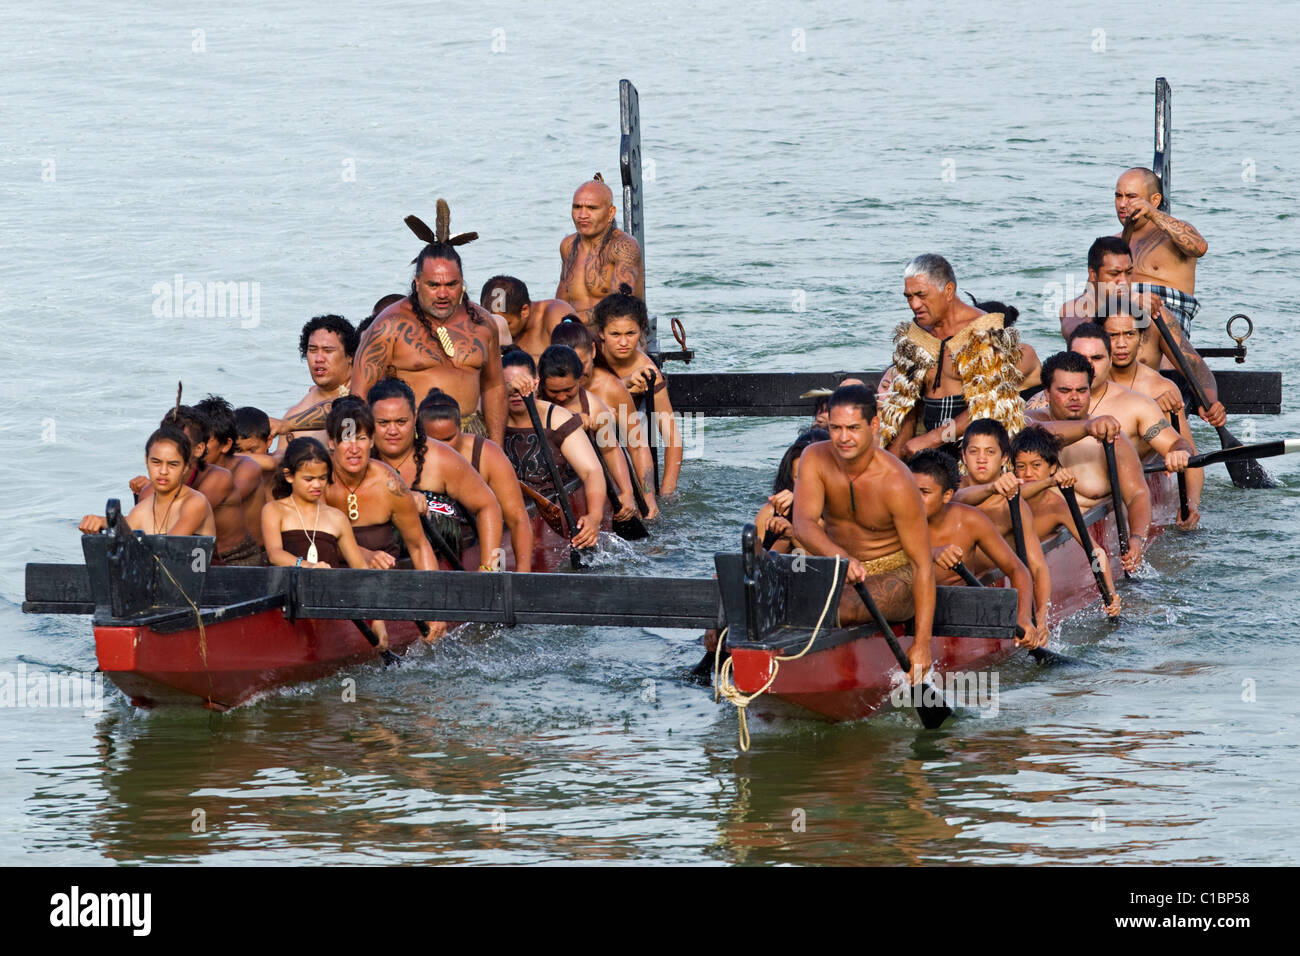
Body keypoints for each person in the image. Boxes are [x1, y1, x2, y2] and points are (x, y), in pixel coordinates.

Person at [791, 384, 936, 681]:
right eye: (835, 428)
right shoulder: (814, 458)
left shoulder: (896, 480)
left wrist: (922, 645)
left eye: (853, 428)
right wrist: (843, 559)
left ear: (874, 425)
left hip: (896, 572)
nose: (843, 438)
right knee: (760, 587)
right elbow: (803, 524)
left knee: (836, 607)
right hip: (837, 569)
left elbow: (922, 565)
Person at [878, 254, 1035, 460]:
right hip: (927, 449)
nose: (914, 304)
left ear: (949, 291)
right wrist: (893, 463)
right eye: (909, 296)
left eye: (921, 295)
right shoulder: (916, 335)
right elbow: (906, 405)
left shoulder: (985, 332)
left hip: (977, 452)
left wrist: (933, 439)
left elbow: (986, 406)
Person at [1058, 237, 1226, 428]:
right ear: (1093, 275)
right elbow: (1077, 333)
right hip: (1097, 418)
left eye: (1128, 273)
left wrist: (1209, 403)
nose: (1123, 282)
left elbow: (1196, 367)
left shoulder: (1156, 315)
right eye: (1114, 274)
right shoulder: (1073, 310)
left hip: (1147, 418)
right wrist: (1126, 306)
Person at [1059, 319, 1199, 529]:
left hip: (1106, 503)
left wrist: (1178, 454)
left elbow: (1180, 445)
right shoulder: (1041, 402)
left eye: (1096, 358)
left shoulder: (1138, 404)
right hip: (1055, 508)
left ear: (1109, 359)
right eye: (1080, 359)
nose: (1087, 367)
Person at [1023, 351, 1153, 573]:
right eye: (1064, 391)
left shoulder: (1111, 436)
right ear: (1046, 393)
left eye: (1082, 390)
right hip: (1028, 534)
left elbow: (1137, 494)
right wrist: (1085, 428)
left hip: (1082, 539)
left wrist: (1138, 539)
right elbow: (1041, 433)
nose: (1074, 397)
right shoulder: (1027, 424)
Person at [261, 437, 388, 650]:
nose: (317, 485)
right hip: (288, 600)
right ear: (289, 476)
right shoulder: (274, 511)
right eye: (309, 479)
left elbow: (360, 568)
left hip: (330, 602)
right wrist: (310, 567)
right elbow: (275, 554)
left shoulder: (336, 517)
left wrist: (378, 620)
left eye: (322, 478)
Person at [907, 450, 1044, 645]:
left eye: (925, 492)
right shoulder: (892, 516)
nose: (915, 499)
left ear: (946, 496)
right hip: (907, 606)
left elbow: (1017, 569)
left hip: (955, 611)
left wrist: (1022, 617)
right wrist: (931, 553)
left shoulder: (971, 520)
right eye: (912, 490)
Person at [367, 377, 503, 568]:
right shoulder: (355, 458)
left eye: (401, 421)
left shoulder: (441, 458)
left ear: (415, 418)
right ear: (369, 421)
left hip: (445, 562)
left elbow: (488, 506)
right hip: (378, 563)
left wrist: (488, 568)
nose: (392, 430)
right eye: (383, 423)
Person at [950, 418, 1054, 632]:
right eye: (973, 452)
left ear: (1004, 458)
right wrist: (991, 488)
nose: (981, 459)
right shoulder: (949, 489)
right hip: (945, 585)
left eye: (990, 452)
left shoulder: (1015, 505)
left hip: (980, 587)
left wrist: (1041, 617)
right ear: (963, 456)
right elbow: (957, 499)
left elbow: (1036, 566)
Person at [418, 389, 535, 572]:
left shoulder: (488, 454)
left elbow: (518, 519)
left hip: (477, 544)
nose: (442, 448)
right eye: (433, 440)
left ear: (461, 427)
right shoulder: (407, 454)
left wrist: (523, 575)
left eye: (449, 438)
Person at [551, 316, 657, 518]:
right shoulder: (544, 387)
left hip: (603, 464)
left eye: (580, 365)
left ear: (592, 350)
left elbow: (636, 445)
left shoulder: (611, 387)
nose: (576, 374)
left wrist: (648, 496)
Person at [1009, 427, 1122, 616]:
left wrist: (1110, 593)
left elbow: (1095, 552)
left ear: (1052, 467)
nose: (1028, 473)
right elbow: (1019, 492)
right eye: (1021, 467)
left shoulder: (1057, 505)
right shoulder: (1006, 495)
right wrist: (1049, 482)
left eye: (1036, 465)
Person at [500, 349, 606, 550]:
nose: (515, 393)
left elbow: (591, 471)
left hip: (550, 504)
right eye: (508, 386)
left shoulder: (557, 418)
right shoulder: (484, 417)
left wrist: (594, 516)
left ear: (536, 382)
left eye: (522, 384)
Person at [322, 396, 436, 572]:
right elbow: (312, 539)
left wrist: (433, 593)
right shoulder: (318, 479)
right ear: (331, 442)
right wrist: (366, 555)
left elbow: (419, 547)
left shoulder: (389, 484)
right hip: (328, 579)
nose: (354, 449)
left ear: (372, 440)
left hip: (385, 578)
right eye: (346, 439)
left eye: (361, 438)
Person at [131, 406, 254, 564]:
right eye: (167, 440)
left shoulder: (216, 480)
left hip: (234, 559)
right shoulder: (148, 494)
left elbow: (179, 522)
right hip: (180, 564)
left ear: (199, 449)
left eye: (181, 442)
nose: (173, 448)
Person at [593, 285, 681, 496]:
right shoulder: (590, 355)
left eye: (630, 333)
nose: (623, 342)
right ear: (601, 333)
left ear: (641, 331)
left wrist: (667, 491)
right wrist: (623, 384)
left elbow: (672, 438)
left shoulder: (649, 372)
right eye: (615, 334)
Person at [537, 344, 638, 524]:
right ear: (540, 383)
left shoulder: (594, 406)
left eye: (568, 390)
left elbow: (611, 451)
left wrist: (627, 492)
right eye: (553, 391)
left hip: (579, 478)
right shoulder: (534, 400)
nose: (560, 398)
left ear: (580, 379)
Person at [1114, 166, 1207, 336]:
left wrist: (1153, 214)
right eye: (1118, 196)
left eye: (1131, 197)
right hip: (1119, 318)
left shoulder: (1174, 234)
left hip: (1164, 316)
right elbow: (1092, 291)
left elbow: (1199, 247)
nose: (1122, 204)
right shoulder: (1113, 243)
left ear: (1154, 200)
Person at [80, 427, 216, 537]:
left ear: (186, 466)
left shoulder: (195, 502)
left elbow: (171, 546)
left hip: (197, 570)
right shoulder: (141, 510)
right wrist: (98, 523)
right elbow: (125, 532)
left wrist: (110, 524)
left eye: (173, 464)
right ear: (146, 461)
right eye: (156, 462)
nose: (163, 471)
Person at [555, 174, 644, 329]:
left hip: (615, 339)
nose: (582, 215)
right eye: (577, 207)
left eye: (592, 208)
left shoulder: (623, 247)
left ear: (610, 213)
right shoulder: (568, 246)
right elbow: (561, 303)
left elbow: (620, 306)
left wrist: (572, 321)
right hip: (577, 338)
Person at [195, 395, 269, 557]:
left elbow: (199, 506)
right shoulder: (197, 469)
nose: (197, 446)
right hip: (205, 554)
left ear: (226, 444)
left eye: (205, 440)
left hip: (247, 556)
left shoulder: (246, 468)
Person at [276, 314, 358, 448]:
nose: (319, 358)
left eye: (328, 350)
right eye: (312, 350)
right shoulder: (294, 414)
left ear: (350, 355)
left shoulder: (367, 392)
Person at [755, 428, 827, 554]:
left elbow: (830, 564)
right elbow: (751, 566)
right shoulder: (769, 513)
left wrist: (792, 535)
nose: (808, 486)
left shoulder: (837, 517)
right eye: (799, 478)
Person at [480, 275, 575, 362]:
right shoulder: (489, 325)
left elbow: (570, 361)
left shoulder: (556, 314)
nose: (500, 328)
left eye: (507, 324)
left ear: (524, 311)